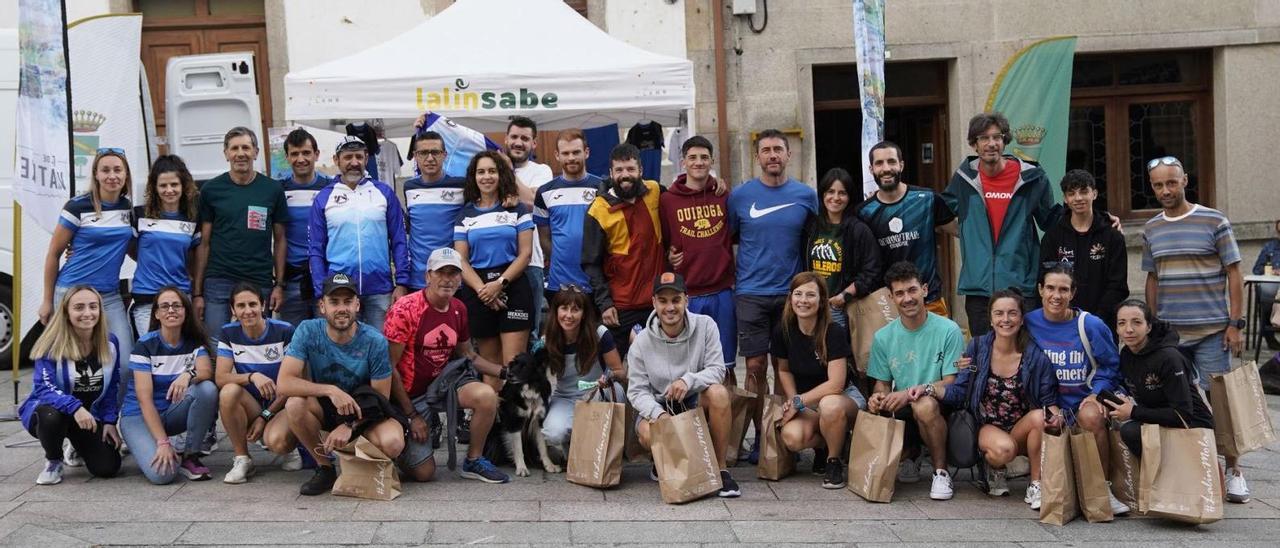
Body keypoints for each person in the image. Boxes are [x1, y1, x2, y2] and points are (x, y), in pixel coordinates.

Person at [1141, 155, 1248, 502]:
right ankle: (1194, 469)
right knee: (1176, 403)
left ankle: (1234, 470)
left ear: (1185, 180)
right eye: (1158, 185)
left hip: (1213, 331)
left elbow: (1234, 273)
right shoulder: (1152, 228)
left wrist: (1235, 323)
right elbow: (1152, 278)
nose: (1165, 190)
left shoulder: (1214, 221)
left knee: (1221, 401)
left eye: (1171, 182)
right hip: (1171, 335)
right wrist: (1152, 327)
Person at [384, 247, 517, 484]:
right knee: (425, 474)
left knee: (486, 395)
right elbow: (388, 367)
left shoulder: (458, 308)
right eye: (441, 272)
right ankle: (397, 445)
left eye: (454, 273)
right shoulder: (405, 309)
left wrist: (504, 372)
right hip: (409, 396)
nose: (447, 279)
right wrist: (412, 415)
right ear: (427, 276)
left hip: (441, 385)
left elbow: (468, 354)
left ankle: (473, 459)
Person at [727, 129, 818, 461]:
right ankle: (756, 436)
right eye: (766, 150)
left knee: (784, 366)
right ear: (757, 157)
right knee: (753, 366)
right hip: (750, 292)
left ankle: (777, 433)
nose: (773, 155)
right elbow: (730, 239)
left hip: (791, 295)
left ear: (789, 155)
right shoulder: (739, 196)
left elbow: (814, 241)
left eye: (778, 149)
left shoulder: (806, 196)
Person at [277, 273, 406, 496]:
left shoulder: (374, 340)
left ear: (357, 304)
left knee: (393, 442)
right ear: (322, 306)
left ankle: (358, 459)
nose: (341, 308)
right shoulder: (308, 330)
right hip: (326, 406)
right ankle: (325, 467)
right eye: (334, 302)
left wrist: (349, 425)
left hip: (364, 409)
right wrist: (330, 390)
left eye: (347, 301)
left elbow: (380, 397)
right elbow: (284, 383)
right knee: (294, 405)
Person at [1023, 264, 1130, 514]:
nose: (1056, 296)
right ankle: (1037, 485)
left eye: (1063, 289)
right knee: (1041, 419)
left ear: (1073, 293)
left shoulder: (1090, 324)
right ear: (1040, 290)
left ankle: (1102, 489)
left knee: (1092, 416)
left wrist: (1096, 394)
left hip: (1082, 404)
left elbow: (1111, 365)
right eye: (1050, 288)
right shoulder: (1029, 322)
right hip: (1047, 405)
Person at [942, 288, 1061, 510]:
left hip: (1021, 427)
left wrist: (1057, 418)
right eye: (999, 313)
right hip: (987, 425)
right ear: (990, 318)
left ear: (1022, 318)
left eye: (1012, 313)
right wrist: (929, 389)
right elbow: (959, 389)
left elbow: (1047, 400)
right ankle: (994, 468)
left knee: (1039, 417)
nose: (1005, 319)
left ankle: (1036, 485)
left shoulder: (1035, 356)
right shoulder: (977, 347)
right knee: (1004, 450)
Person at [943, 113, 1058, 337]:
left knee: (1024, 354)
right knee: (983, 354)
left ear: (1005, 141)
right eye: (984, 138)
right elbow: (939, 215)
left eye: (997, 137)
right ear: (974, 144)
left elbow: (1051, 220)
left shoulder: (1032, 178)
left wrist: (1099, 218)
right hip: (979, 288)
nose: (991, 143)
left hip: (1020, 285)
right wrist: (967, 234)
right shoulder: (964, 179)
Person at [627, 272, 740, 498]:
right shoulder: (641, 342)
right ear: (654, 303)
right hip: (659, 404)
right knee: (648, 434)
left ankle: (720, 469)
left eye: (676, 300)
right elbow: (637, 391)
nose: (670, 307)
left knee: (719, 393)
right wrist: (659, 415)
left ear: (686, 300)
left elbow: (718, 370)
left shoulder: (706, 325)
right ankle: (665, 462)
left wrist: (688, 380)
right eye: (663, 301)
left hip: (694, 398)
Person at [865, 261, 963, 501]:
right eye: (899, 293)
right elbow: (883, 383)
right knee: (887, 407)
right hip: (903, 408)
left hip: (941, 403)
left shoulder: (949, 330)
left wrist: (913, 392)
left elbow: (951, 381)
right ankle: (910, 454)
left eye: (912, 290)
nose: (907, 298)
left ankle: (941, 472)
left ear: (925, 290)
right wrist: (878, 397)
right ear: (891, 297)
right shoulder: (883, 337)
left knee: (924, 405)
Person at [39, 148, 135, 390]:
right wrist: (47, 301)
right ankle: (66, 420)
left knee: (124, 364)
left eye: (117, 169)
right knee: (67, 364)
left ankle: (110, 422)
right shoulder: (77, 207)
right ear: (96, 174)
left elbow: (133, 249)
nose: (112, 175)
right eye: (105, 170)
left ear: (125, 175)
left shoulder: (127, 209)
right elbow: (53, 254)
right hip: (71, 293)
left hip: (109, 296)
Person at [1108, 300, 1224, 495]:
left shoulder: (1169, 357)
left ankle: (1185, 478)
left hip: (1191, 425)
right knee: (1127, 429)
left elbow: (1182, 414)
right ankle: (1160, 481)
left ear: (1149, 326)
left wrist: (1134, 412)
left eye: (1137, 322)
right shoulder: (1127, 354)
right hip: (1158, 418)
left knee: (1132, 429)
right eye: (1122, 323)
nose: (1129, 329)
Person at [20, 286, 123, 485]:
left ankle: (75, 444)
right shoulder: (51, 344)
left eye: (93, 307)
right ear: (66, 312)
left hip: (87, 417)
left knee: (108, 467)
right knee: (51, 415)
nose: (87, 313)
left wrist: (110, 421)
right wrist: (75, 407)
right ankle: (53, 460)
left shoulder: (110, 343)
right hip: (51, 413)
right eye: (79, 307)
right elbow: (44, 387)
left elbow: (112, 385)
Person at [773, 272, 864, 490]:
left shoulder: (833, 331)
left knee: (829, 405)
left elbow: (836, 384)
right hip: (807, 401)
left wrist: (798, 402)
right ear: (790, 297)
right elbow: (783, 370)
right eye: (798, 294)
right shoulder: (782, 330)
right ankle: (829, 443)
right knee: (792, 437)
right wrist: (794, 398)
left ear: (822, 300)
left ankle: (833, 462)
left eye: (811, 295)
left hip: (842, 398)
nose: (803, 300)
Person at [309, 136, 411, 330]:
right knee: (343, 349)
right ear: (336, 160)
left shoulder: (384, 193)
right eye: (348, 157)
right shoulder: (324, 197)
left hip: (380, 289)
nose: (354, 163)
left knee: (380, 347)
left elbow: (399, 240)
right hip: (339, 290)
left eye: (359, 157)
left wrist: (402, 282)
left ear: (366, 159)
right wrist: (321, 290)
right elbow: (315, 249)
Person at [119, 287, 219, 484]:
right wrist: (163, 443)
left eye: (176, 305)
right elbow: (144, 399)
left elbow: (206, 372)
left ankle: (190, 455)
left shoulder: (193, 342)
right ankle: (147, 442)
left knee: (207, 389)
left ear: (185, 311)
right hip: (139, 416)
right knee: (163, 475)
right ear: (156, 313)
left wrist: (187, 375)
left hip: (171, 412)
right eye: (164, 306)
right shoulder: (145, 345)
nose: (171, 310)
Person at [193, 127, 288, 333]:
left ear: (256, 152)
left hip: (259, 280)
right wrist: (197, 293)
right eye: (234, 148)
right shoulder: (211, 190)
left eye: (246, 147)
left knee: (257, 345)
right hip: (219, 280)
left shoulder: (272, 189)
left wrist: (279, 284)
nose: (240, 153)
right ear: (226, 154)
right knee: (217, 345)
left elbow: (280, 240)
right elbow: (204, 243)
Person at [454, 150, 535, 386]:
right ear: (473, 177)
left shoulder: (516, 208)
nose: (486, 176)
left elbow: (526, 254)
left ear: (501, 175)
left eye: (492, 171)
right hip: (478, 290)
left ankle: (516, 422)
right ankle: (495, 421)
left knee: (514, 366)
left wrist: (499, 285)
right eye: (481, 172)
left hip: (513, 286)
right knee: (491, 368)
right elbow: (461, 260)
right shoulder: (465, 215)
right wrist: (484, 291)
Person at [661, 136, 736, 382]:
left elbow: (736, 233)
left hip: (722, 291)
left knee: (726, 366)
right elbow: (662, 242)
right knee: (688, 368)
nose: (698, 162)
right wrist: (669, 257)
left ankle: (729, 420)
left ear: (712, 161)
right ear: (683, 162)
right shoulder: (668, 201)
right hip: (688, 295)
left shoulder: (723, 195)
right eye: (692, 157)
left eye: (704, 157)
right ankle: (695, 420)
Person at [582, 143, 665, 358]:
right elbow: (591, 263)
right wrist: (605, 304)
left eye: (630, 169)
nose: (625, 175)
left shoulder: (655, 191)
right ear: (610, 173)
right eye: (619, 170)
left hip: (657, 302)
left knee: (662, 367)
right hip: (620, 306)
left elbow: (684, 195)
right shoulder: (598, 209)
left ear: (641, 171)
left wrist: (715, 184)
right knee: (617, 372)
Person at [855, 140, 956, 316]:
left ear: (901, 165)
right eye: (879, 163)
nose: (886, 168)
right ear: (871, 169)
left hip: (929, 300)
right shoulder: (864, 213)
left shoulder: (927, 199)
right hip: (888, 305)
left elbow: (961, 231)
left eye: (892, 161)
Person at [214, 282, 300, 484]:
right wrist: (252, 376)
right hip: (253, 405)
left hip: (281, 406)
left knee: (277, 443)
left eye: (252, 304)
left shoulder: (284, 331)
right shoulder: (229, 332)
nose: (247, 311)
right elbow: (220, 377)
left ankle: (291, 446)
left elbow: (295, 382)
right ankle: (242, 458)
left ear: (262, 306)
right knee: (228, 391)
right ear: (233, 310)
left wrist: (265, 416)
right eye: (241, 306)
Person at [1038, 169, 1128, 328]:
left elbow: (1118, 286)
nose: (1078, 198)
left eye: (1084, 191)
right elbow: (1045, 281)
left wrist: (1095, 320)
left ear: (1094, 193)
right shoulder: (1053, 237)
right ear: (1065, 199)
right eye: (1071, 193)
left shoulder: (1112, 236)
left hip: (1102, 323)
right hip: (1062, 322)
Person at [540, 286, 627, 452]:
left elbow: (621, 372)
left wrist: (608, 377)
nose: (569, 315)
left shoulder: (600, 333)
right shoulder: (547, 340)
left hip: (598, 393)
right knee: (553, 434)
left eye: (575, 309)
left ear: (584, 313)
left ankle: (608, 445)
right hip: (565, 397)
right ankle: (579, 444)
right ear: (556, 311)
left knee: (617, 390)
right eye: (564, 308)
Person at [130, 155, 201, 336]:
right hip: (147, 297)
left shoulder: (192, 217)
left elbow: (193, 258)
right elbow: (129, 248)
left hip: (180, 297)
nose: (169, 190)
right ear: (154, 187)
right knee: (152, 353)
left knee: (179, 354)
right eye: (163, 185)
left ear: (183, 186)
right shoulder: (139, 214)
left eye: (174, 184)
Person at [807, 167, 883, 328]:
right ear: (822, 194)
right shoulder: (811, 227)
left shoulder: (859, 230)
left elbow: (872, 270)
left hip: (841, 307)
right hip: (812, 305)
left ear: (849, 197)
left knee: (839, 352)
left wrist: (844, 296)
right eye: (830, 192)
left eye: (842, 193)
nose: (835, 198)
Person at [534, 129, 602, 306]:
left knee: (595, 333)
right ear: (557, 155)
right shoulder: (544, 192)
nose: (571, 157)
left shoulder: (602, 188)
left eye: (576, 152)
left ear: (586, 152)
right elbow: (544, 238)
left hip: (596, 283)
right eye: (565, 153)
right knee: (562, 333)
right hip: (559, 283)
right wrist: (562, 257)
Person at [277, 128, 332, 326]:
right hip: (291, 281)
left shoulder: (331, 188)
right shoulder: (279, 190)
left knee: (326, 340)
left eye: (306, 153)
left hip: (325, 278)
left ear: (316, 154)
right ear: (287, 157)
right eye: (295, 154)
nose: (301, 159)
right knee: (294, 343)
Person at [506, 116, 555, 336]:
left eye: (525, 138)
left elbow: (535, 201)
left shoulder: (542, 170)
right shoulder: (490, 170)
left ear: (534, 143)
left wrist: (508, 172)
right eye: (514, 137)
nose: (518, 142)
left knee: (532, 332)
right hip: (499, 263)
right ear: (506, 139)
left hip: (531, 263)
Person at [403, 131, 466, 292]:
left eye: (435, 152)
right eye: (423, 153)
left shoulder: (461, 185)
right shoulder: (409, 187)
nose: (430, 158)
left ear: (444, 155)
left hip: (450, 278)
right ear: (415, 156)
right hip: (418, 278)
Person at [1250, 219, 1280, 349]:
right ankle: (1268, 333)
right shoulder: (1270, 247)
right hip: (1272, 283)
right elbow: (1256, 269)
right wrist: (1272, 271)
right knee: (1266, 292)